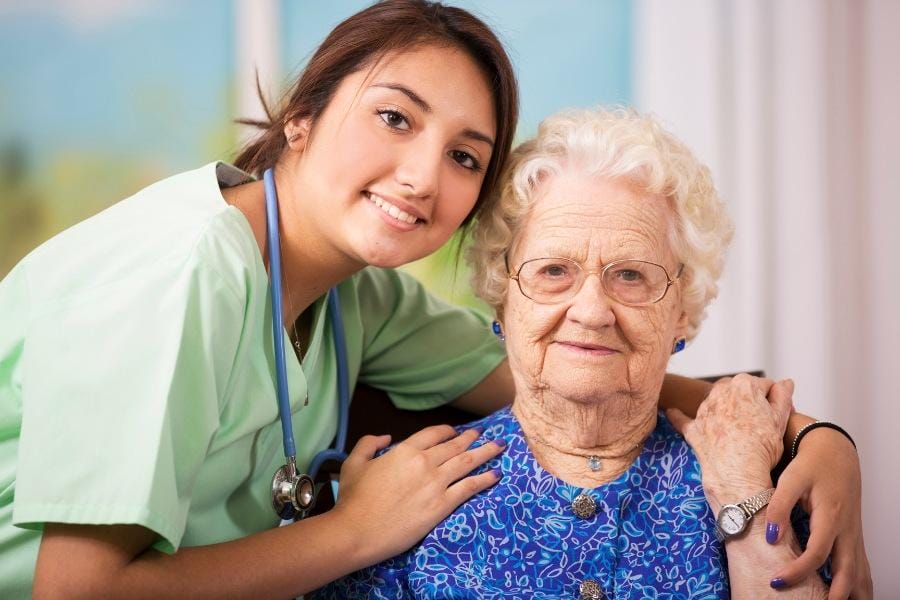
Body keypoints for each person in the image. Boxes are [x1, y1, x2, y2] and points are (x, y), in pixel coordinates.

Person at [0, 1, 868, 598]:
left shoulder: (359, 298)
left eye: (465, 155)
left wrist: (816, 438)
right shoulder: (172, 271)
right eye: (395, 117)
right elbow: (75, 592)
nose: (422, 175)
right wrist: (351, 534)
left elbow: (584, 367)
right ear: (300, 114)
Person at [316, 107, 865, 598]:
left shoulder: (761, 477)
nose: (591, 310)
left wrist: (745, 497)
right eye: (554, 271)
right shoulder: (400, 498)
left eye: (631, 275)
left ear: (683, 311)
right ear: (502, 299)